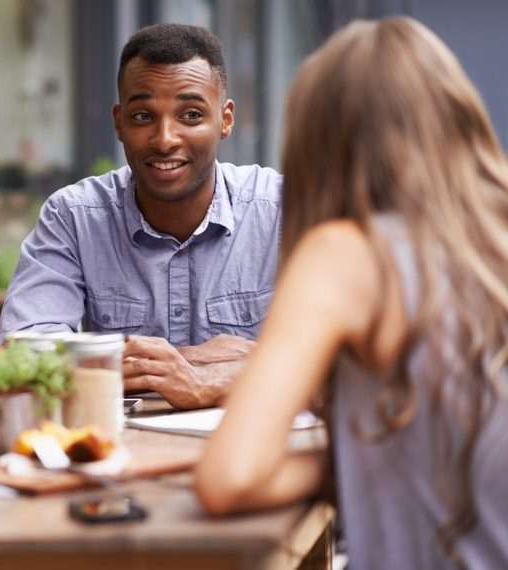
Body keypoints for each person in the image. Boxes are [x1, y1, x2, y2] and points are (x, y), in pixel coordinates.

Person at [195, 17, 508, 569]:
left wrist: (356, 459)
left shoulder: (348, 254)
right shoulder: (493, 239)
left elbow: (230, 477)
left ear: (320, 146)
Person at [0, 23, 281, 409]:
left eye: (191, 115)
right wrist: (193, 361)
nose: (165, 139)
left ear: (225, 119)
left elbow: (340, 355)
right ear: (119, 122)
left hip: (252, 455)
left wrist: (216, 379)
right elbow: (22, 358)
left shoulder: (281, 209)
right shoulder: (74, 218)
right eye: (144, 116)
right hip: (116, 456)